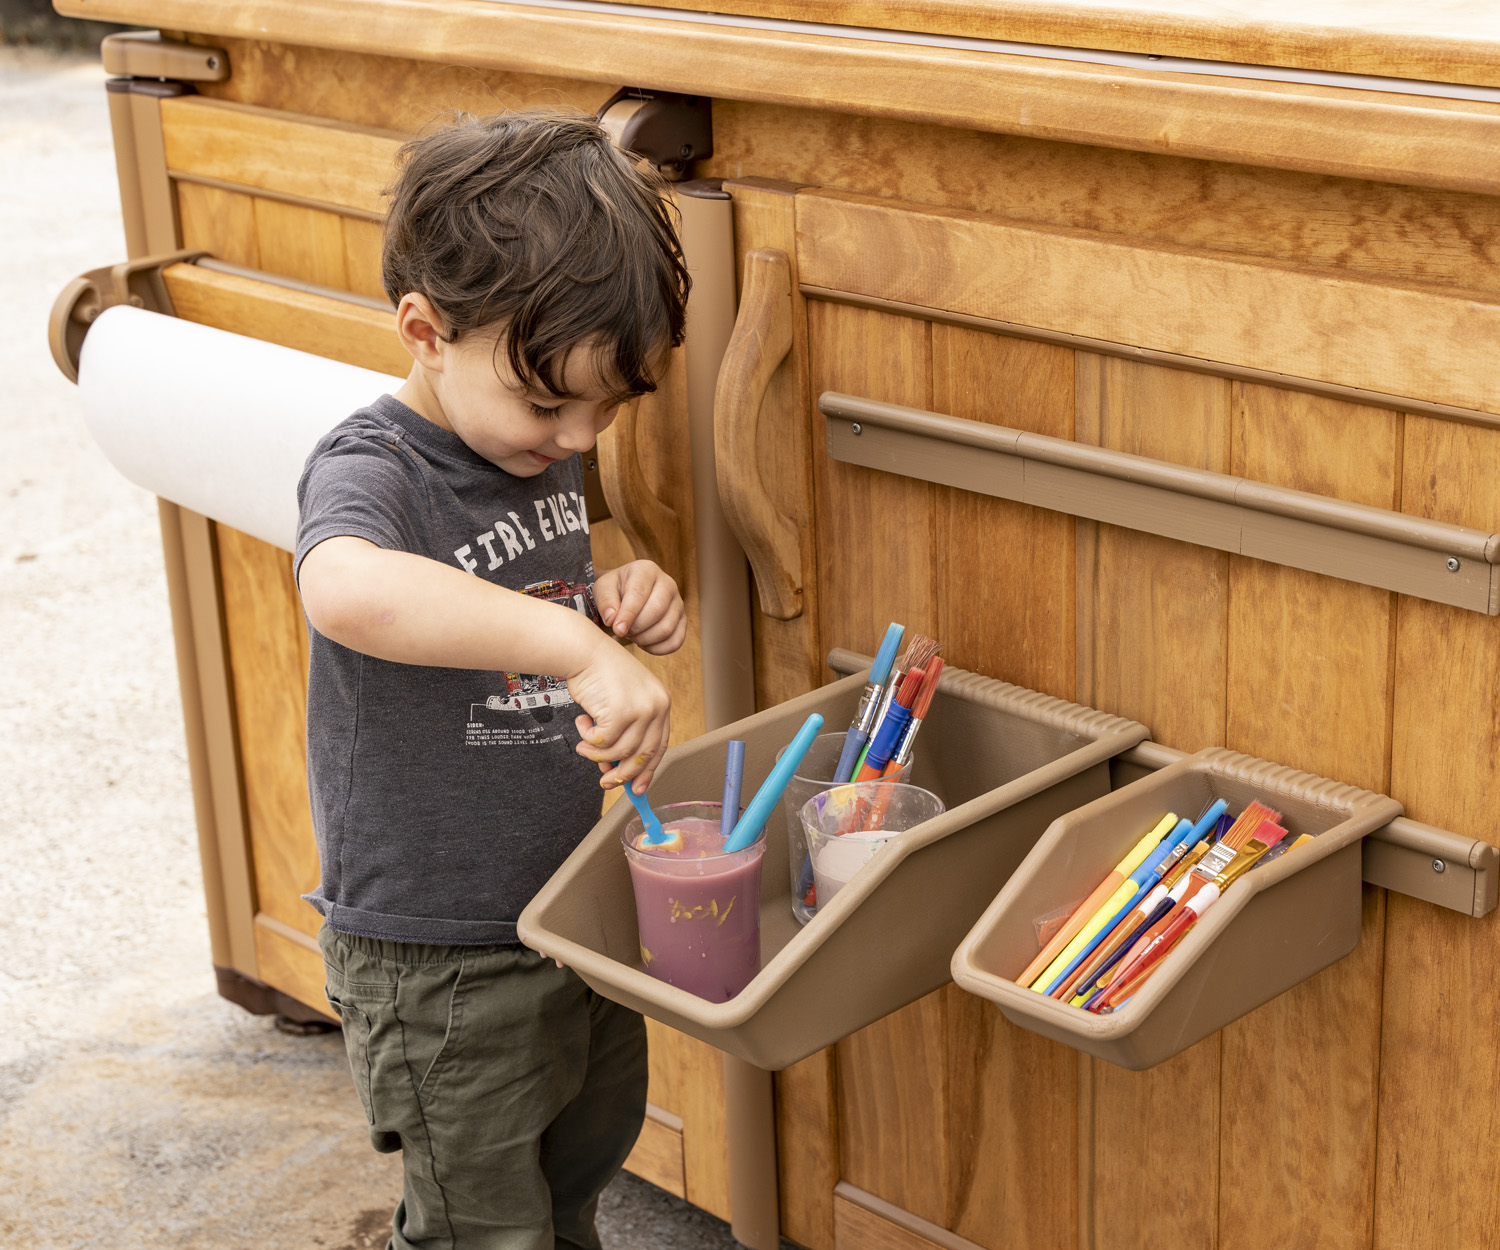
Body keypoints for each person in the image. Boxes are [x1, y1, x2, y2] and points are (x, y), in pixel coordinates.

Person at [293, 110, 690, 1250]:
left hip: (561, 910)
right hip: (439, 954)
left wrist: (619, 601)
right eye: (550, 402)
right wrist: (575, 649)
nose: (578, 436)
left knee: (575, 1175)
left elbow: (537, 591)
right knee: (482, 1223)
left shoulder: (528, 446)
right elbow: (346, 589)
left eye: (608, 407)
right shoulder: (377, 466)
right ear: (425, 330)